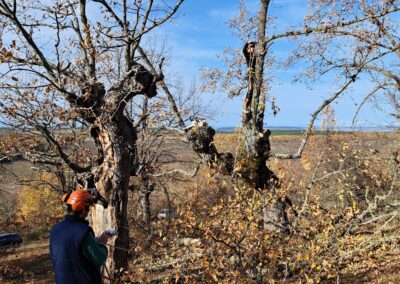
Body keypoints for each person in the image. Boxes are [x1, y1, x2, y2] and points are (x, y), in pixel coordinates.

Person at [50, 189, 110, 284]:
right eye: (87, 208)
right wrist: (101, 244)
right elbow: (99, 258)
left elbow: (72, 251)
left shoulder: (55, 229)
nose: (88, 212)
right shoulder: (82, 231)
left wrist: (93, 242)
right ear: (81, 208)